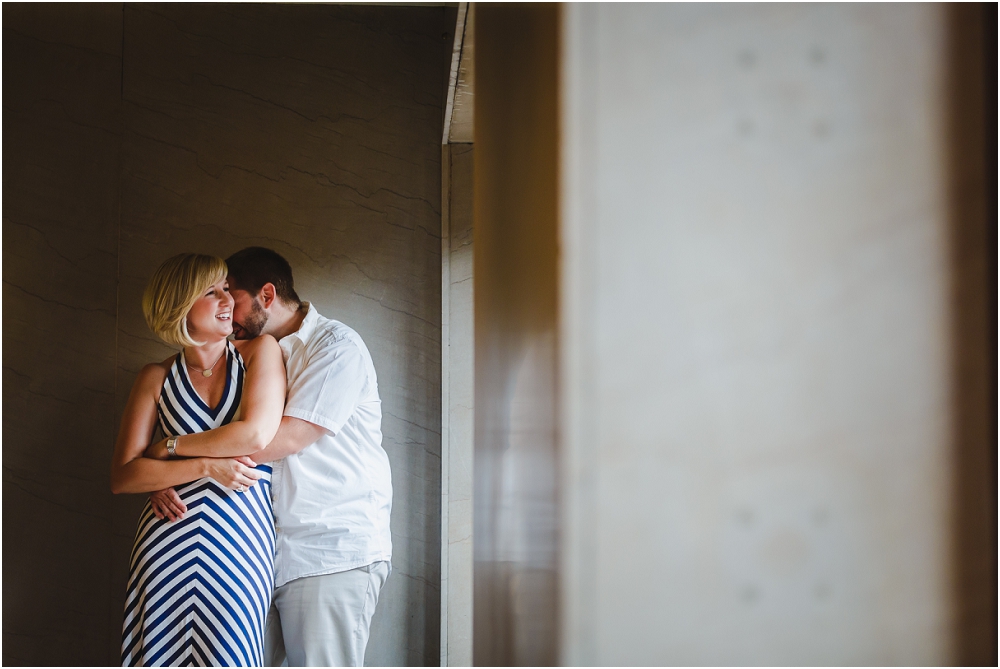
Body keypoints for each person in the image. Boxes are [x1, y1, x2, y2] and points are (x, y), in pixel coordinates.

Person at [149, 247, 393, 667]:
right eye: (216, 294)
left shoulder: (335, 347)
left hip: (329, 550)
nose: (226, 308)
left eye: (232, 295)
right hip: (262, 552)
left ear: (266, 294)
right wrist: (161, 475)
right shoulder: (252, 357)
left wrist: (169, 456)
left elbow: (280, 440)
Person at [111, 253, 286, 667]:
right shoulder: (154, 378)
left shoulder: (261, 352)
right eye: (212, 292)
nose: (228, 299)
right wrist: (207, 466)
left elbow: (255, 434)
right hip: (165, 543)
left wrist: (166, 448)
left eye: (227, 288)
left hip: (241, 543)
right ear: (179, 306)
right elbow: (123, 476)